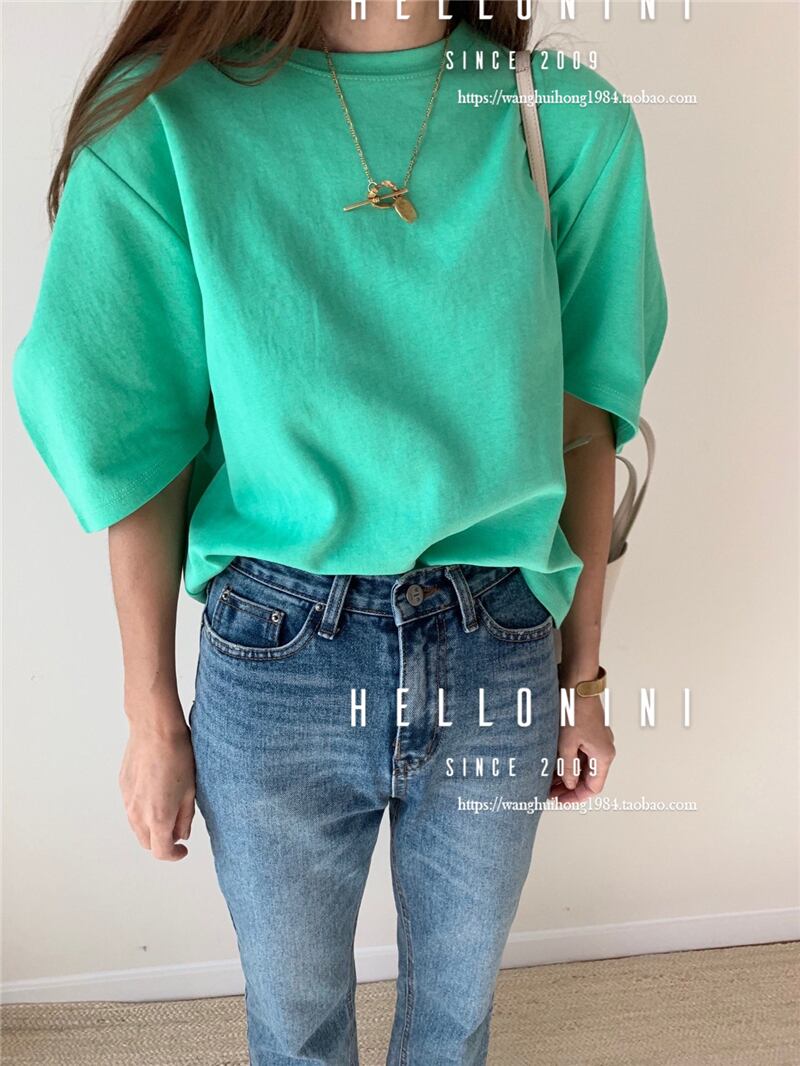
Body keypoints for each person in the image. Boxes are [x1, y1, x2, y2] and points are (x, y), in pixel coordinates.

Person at [12, 1, 668, 1063]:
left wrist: (583, 680)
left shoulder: (560, 115)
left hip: (497, 643)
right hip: (278, 655)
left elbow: (585, 423)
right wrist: (150, 716)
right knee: (294, 1026)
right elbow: (138, 441)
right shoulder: (167, 118)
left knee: (455, 1022)